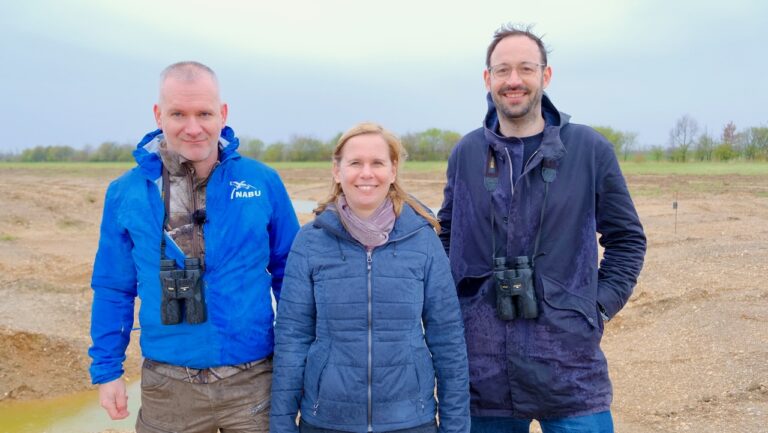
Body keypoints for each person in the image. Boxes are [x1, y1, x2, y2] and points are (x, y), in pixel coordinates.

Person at [437, 24, 647, 433]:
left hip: (569, 368)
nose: (514, 80)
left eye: (526, 69)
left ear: (545, 76)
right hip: (482, 370)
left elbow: (626, 239)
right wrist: (460, 309)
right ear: (488, 79)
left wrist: (596, 306)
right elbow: (447, 234)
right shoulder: (466, 153)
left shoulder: (589, 149)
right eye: (502, 71)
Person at [88, 61, 299, 432]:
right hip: (168, 386)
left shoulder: (262, 181)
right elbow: (113, 288)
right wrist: (107, 370)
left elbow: (292, 278)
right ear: (158, 115)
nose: (193, 127)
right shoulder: (126, 192)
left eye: (204, 113)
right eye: (178, 114)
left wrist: (298, 362)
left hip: (256, 383)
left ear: (223, 114)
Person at [270, 122, 470, 433]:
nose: (366, 173)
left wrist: (455, 427)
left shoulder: (423, 240)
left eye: (377, 163)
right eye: (355, 163)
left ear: (392, 171)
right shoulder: (310, 241)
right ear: (337, 171)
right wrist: (282, 425)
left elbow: (448, 340)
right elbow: (292, 339)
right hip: (327, 421)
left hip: (410, 421)